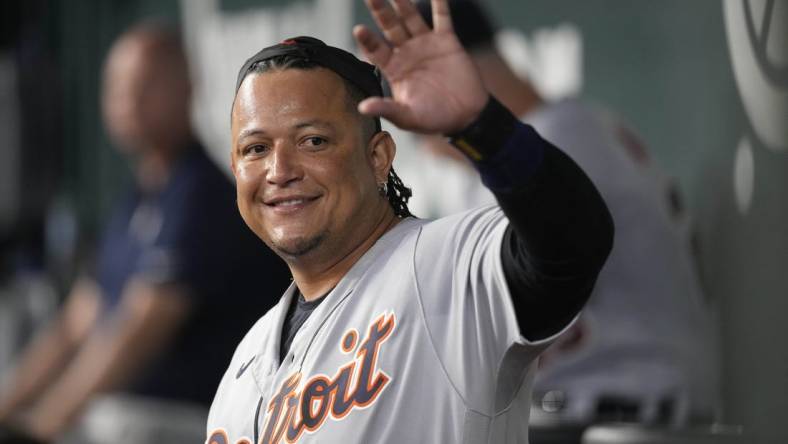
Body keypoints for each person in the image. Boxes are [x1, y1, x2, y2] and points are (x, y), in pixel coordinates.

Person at [205, 0, 613, 443]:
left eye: (313, 141)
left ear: (378, 157)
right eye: (256, 149)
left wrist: (484, 127)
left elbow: (573, 245)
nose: (280, 170)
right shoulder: (245, 362)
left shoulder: (444, 265)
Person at [414, 0, 719, 427]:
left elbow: (482, 319)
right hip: (611, 408)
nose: (419, 133)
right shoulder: (570, 127)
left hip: (621, 412)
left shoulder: (553, 143)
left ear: (453, 71)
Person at [0, 22, 290, 443]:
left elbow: (141, 328)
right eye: (117, 85)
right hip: (132, 417)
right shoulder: (139, 195)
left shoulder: (202, 193)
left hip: (207, 420)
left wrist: (42, 426)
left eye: (146, 83)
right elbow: (78, 321)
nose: (128, 98)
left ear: (187, 87)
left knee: (107, 423)